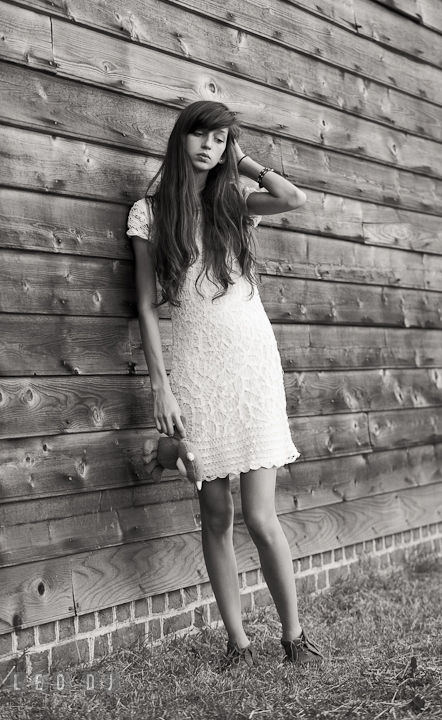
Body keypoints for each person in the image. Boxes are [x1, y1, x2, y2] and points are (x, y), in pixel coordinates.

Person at [127, 100, 322, 668]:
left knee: (262, 517)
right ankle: (238, 644)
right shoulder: (149, 213)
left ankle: (293, 638)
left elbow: (294, 199)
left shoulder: (234, 202)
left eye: (221, 140)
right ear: (180, 138)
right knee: (216, 513)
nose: (209, 147)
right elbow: (144, 306)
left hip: (253, 365)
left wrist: (249, 163)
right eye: (201, 135)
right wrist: (162, 387)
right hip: (196, 367)